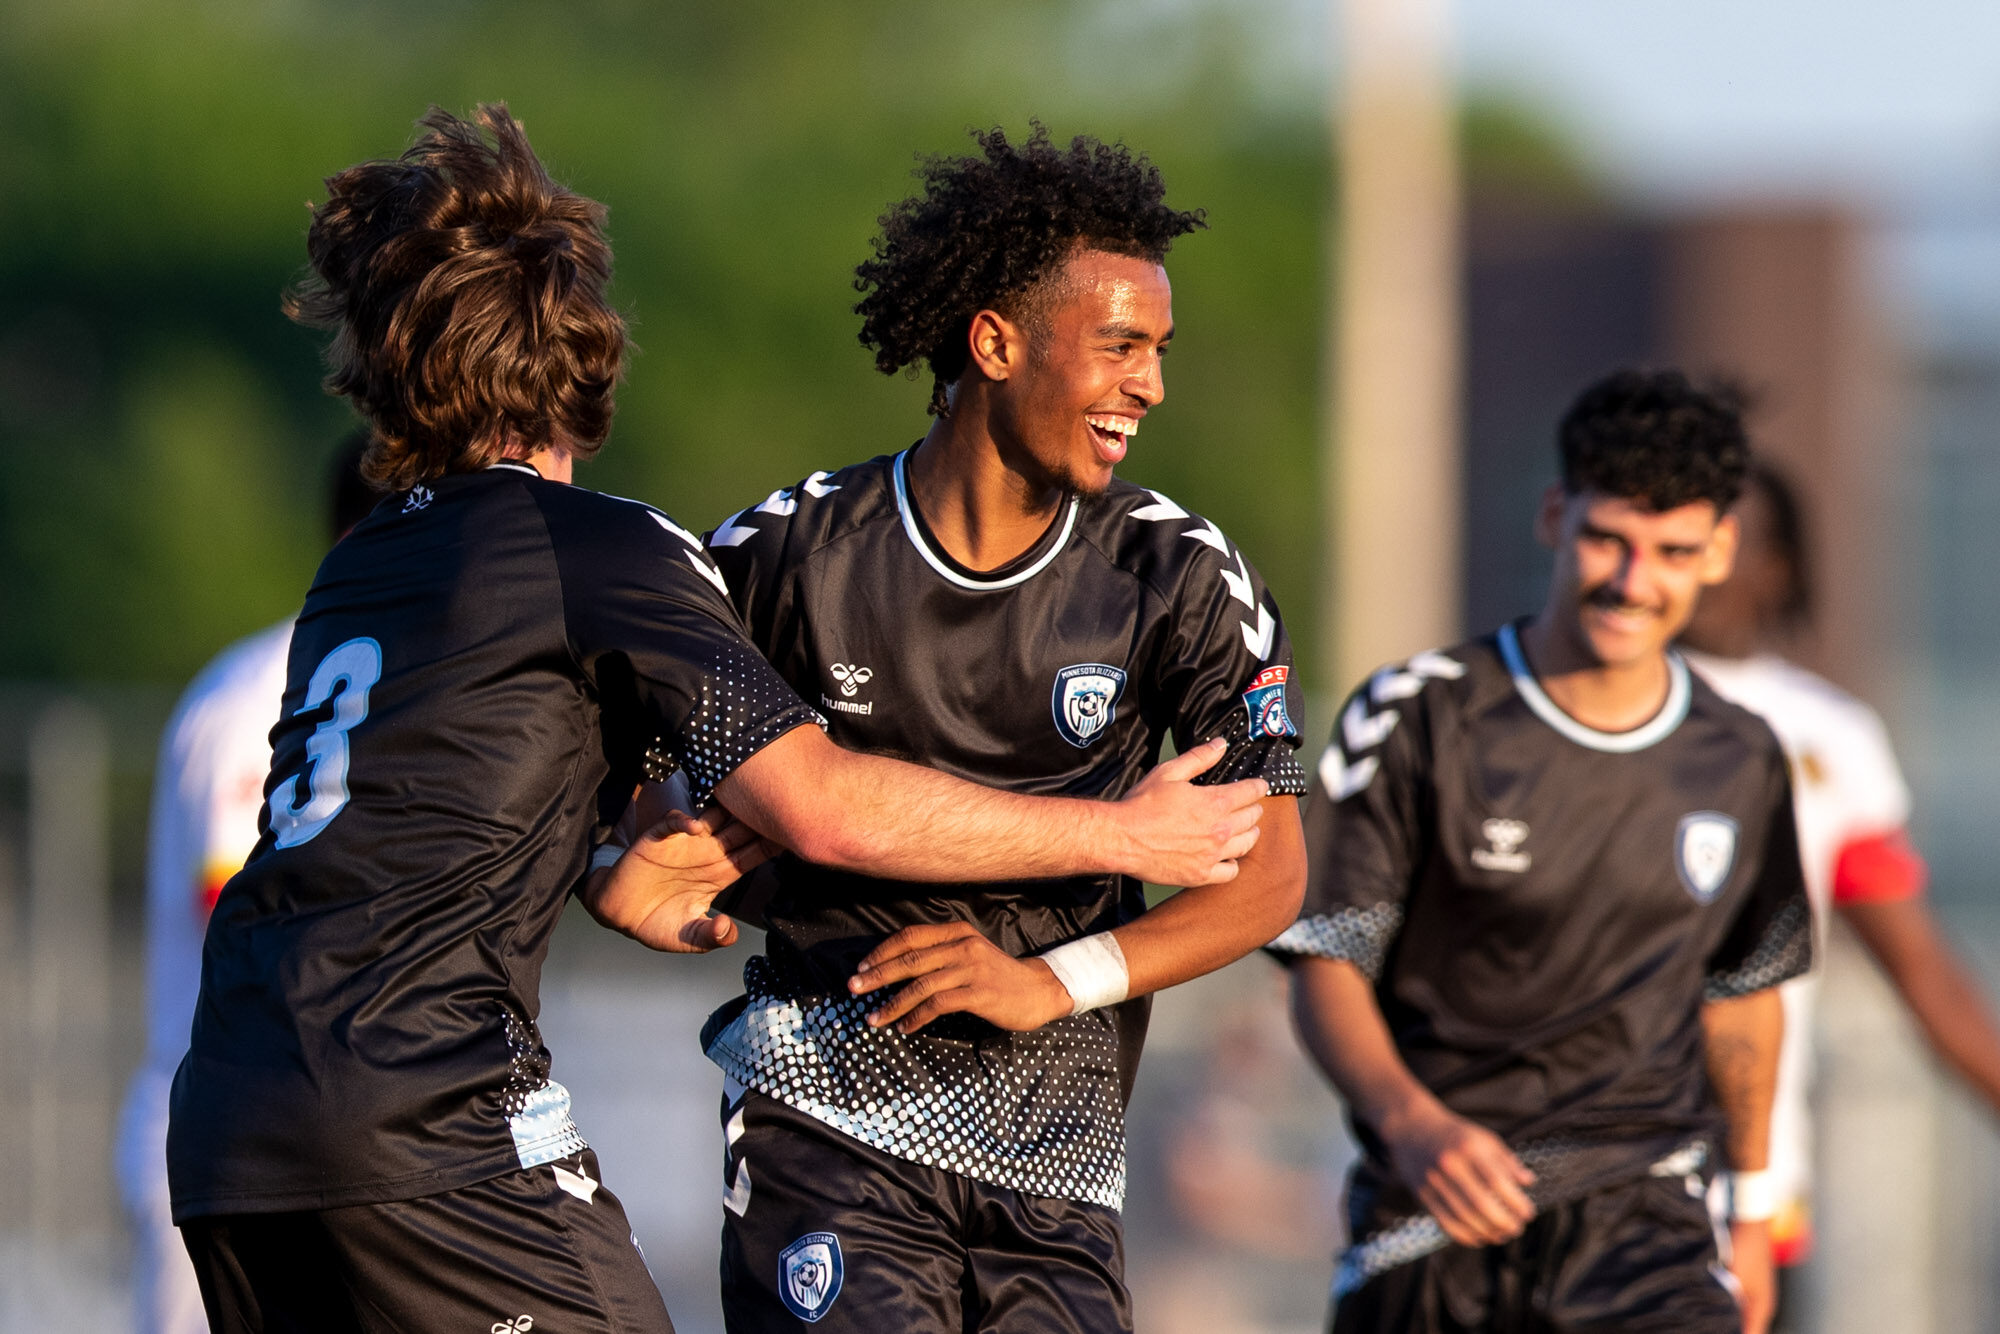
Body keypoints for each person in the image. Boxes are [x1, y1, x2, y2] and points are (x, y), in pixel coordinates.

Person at [165, 105, 1268, 1334]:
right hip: (428, 1108)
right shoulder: (613, 545)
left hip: (228, 1119)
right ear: (584, 363)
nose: (1149, 381)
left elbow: (502, 822)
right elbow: (825, 805)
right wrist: (1122, 837)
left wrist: (620, 861)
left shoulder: (357, 571)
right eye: (1122, 343)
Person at [687, 126, 1310, 1333]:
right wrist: (683, 857)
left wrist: (1044, 980)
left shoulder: (1176, 576)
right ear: (994, 341)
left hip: (1056, 1165)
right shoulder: (782, 556)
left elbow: (1270, 875)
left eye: (1159, 352)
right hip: (827, 1121)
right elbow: (643, 830)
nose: (1150, 386)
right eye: (1119, 346)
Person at [1270, 369, 1812, 1334]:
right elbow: (1326, 962)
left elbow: (1744, 995)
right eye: (1609, 538)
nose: (1633, 582)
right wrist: (1413, 1124)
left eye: (1673, 552)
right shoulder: (1421, 716)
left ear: (1720, 551)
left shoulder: (1743, 757)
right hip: (1436, 1221)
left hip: (1651, 1228)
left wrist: (1755, 1210)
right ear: (1556, 514)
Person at [1679, 462, 2000, 1291]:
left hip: (1744, 1192)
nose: (1700, 563)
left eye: (1727, 538)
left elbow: (1921, 968)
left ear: (1778, 563)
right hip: (1547, 1178)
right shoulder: (1573, 705)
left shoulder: (1826, 737)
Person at [116, 436, 380, 1334]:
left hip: (339, 1125)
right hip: (229, 1126)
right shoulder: (264, 687)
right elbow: (243, 915)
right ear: (361, 537)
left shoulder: (413, 683)